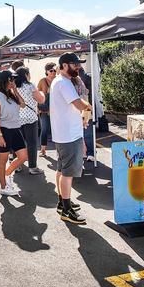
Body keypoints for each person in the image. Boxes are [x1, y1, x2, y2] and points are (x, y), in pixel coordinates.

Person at [51, 53, 91, 224]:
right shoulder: (64, 83)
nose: (79, 67)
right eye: (75, 65)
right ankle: (66, 210)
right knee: (68, 173)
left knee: (61, 170)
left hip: (64, 134)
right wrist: (88, 107)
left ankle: (62, 203)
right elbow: (79, 104)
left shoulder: (59, 81)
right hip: (68, 135)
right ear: (65, 65)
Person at [0, 70, 29, 196]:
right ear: (5, 81)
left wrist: (15, 91)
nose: (13, 81)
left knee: (23, 156)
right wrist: (0, 135)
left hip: (15, 128)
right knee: (3, 159)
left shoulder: (12, 94)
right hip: (3, 130)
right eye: (11, 79)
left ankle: (7, 174)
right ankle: (3, 186)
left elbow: (23, 105)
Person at [15, 67, 46, 175]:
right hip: (30, 118)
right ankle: (32, 167)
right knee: (31, 143)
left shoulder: (13, 88)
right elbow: (41, 99)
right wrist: (41, 93)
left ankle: (17, 165)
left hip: (17, 118)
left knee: (18, 143)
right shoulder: (30, 86)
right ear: (26, 75)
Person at [37, 62, 56, 158]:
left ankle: (59, 151)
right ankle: (43, 149)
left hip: (56, 109)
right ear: (47, 71)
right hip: (44, 110)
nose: (53, 72)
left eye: (55, 70)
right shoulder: (42, 81)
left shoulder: (58, 80)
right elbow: (38, 95)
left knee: (57, 129)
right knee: (44, 129)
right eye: (51, 70)